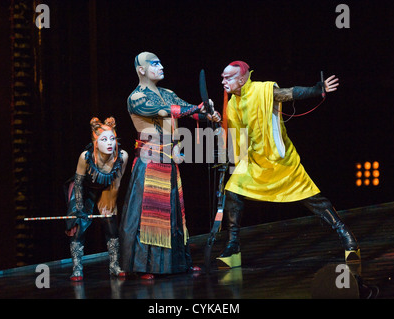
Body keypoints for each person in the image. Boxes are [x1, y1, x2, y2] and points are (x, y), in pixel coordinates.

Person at [217, 61, 360, 268]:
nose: (223, 81)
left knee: (312, 198)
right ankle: (233, 247)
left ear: (241, 79)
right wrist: (215, 120)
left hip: (280, 160)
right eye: (222, 77)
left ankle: (347, 237)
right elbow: (236, 136)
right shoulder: (232, 103)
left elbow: (288, 93)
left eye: (227, 77)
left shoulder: (262, 90)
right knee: (232, 190)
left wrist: (316, 89)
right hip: (256, 161)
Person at [119, 52, 220, 279]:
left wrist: (206, 114)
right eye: (154, 63)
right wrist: (197, 109)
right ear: (141, 70)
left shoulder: (168, 93)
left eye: (161, 62)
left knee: (174, 212)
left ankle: (179, 264)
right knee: (149, 215)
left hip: (169, 159)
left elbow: (187, 109)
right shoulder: (136, 97)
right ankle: (146, 266)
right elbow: (164, 111)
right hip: (149, 159)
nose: (161, 66)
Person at [65, 117, 128, 281]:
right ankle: (77, 268)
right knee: (79, 227)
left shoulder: (121, 156)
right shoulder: (85, 157)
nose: (109, 143)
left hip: (106, 189)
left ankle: (114, 265)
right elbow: (78, 184)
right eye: (104, 139)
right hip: (84, 190)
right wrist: (79, 209)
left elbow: (117, 182)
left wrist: (111, 202)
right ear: (95, 142)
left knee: (111, 224)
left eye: (112, 138)